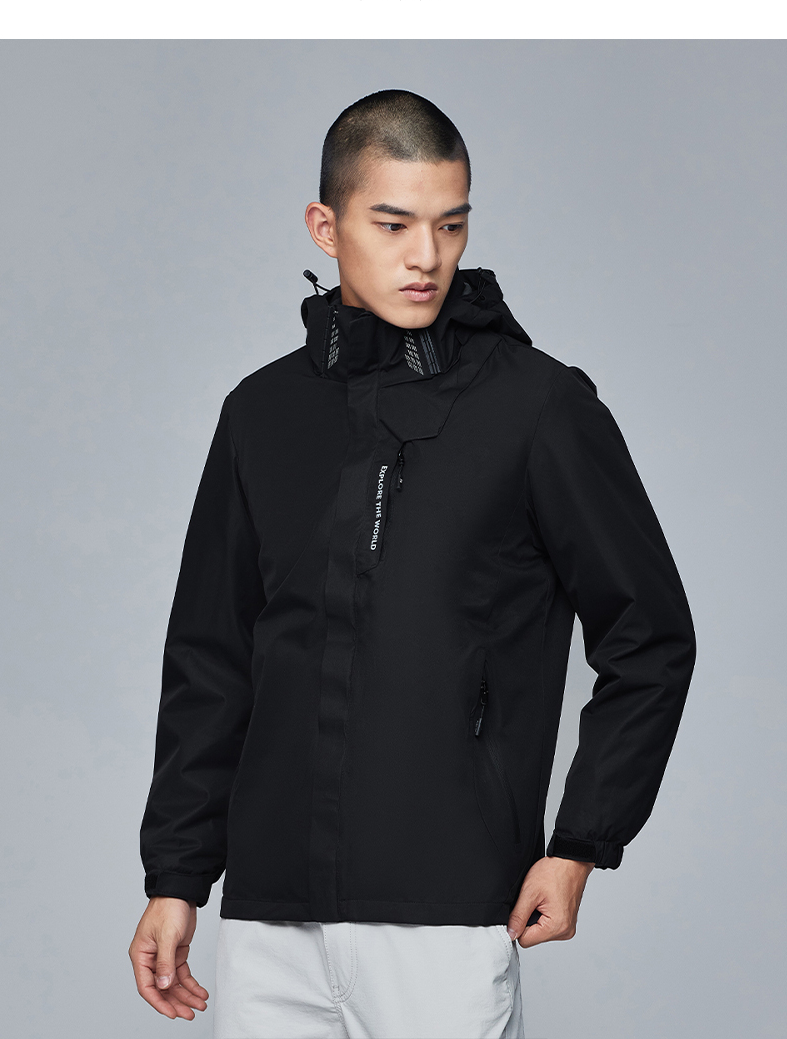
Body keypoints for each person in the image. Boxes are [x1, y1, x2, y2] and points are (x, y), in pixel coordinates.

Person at [129, 89, 696, 1038]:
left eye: (450, 224)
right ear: (326, 227)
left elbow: (651, 636)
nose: (427, 256)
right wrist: (177, 877)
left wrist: (581, 844)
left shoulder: (538, 408)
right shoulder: (261, 414)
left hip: (448, 915)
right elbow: (211, 656)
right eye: (393, 224)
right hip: (271, 920)